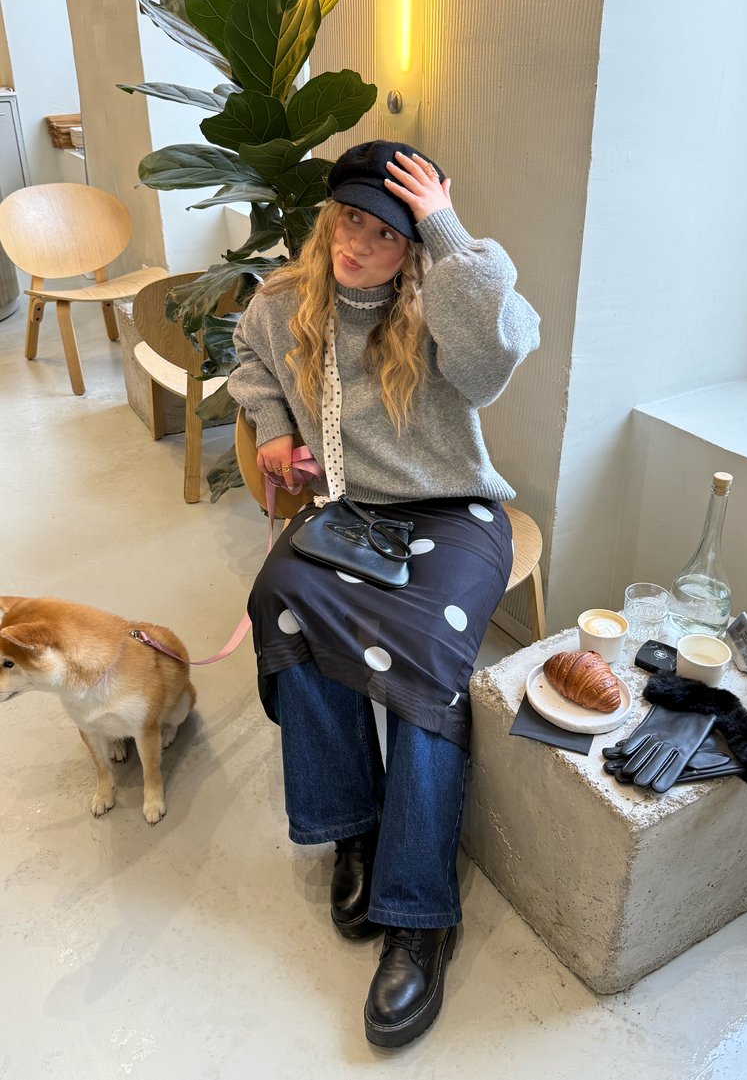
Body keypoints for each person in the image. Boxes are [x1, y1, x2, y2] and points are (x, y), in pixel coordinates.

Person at [228, 139, 540, 1048]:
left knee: (426, 657)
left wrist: (445, 228)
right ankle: (350, 824)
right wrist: (279, 429)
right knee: (283, 597)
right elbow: (248, 360)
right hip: (350, 510)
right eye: (347, 223)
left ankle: (419, 912)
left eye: (385, 233)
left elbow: (499, 351)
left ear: (415, 246)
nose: (357, 247)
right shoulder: (287, 300)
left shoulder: (445, 303)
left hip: (453, 514)